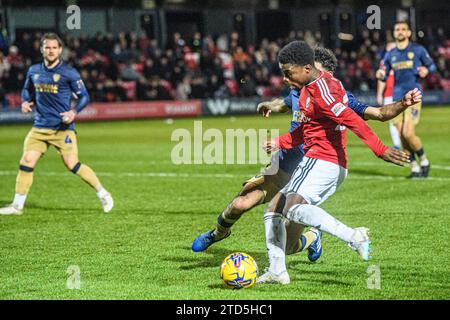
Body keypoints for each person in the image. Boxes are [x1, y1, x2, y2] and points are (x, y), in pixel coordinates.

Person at [191, 46, 417, 260]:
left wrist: (402, 104)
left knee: (287, 244)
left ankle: (311, 239)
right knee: (240, 204)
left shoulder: (336, 96)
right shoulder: (299, 90)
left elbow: (378, 113)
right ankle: (218, 233)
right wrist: (270, 105)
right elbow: (284, 104)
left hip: (313, 169)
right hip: (284, 165)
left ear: (323, 72)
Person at [257, 40, 411, 285]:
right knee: (273, 210)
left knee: (291, 209)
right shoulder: (311, 88)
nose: (285, 79)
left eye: (288, 73)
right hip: (324, 161)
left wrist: (380, 149)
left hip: (322, 159)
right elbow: (308, 130)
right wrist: (281, 141)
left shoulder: (321, 90)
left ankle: (353, 236)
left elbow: (354, 120)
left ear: (306, 68)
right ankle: (277, 272)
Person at [0, 33, 113, 216]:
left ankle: (103, 193)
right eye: (47, 47)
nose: (51, 51)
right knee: (26, 161)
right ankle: (17, 206)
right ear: (42, 49)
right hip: (39, 127)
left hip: (62, 129)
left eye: (54, 48)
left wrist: (74, 112)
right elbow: (26, 90)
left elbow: (85, 96)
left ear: (60, 50)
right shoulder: (34, 71)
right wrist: (25, 101)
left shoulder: (69, 73)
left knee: (72, 165)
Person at [376, 21, 436, 178]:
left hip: (414, 96)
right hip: (397, 99)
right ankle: (414, 166)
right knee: (401, 135)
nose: (400, 32)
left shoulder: (418, 50)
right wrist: (380, 74)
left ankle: (424, 160)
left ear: (409, 33)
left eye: (403, 29)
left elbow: (432, 66)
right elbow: (383, 71)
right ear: (395, 33)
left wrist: (425, 70)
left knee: (408, 133)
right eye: (397, 29)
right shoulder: (391, 54)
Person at [377, 42, 402, 150]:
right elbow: (381, 80)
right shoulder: (384, 63)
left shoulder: (402, 60)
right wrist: (379, 94)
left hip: (402, 93)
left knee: (404, 121)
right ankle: (397, 144)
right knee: (392, 121)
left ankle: (404, 142)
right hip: (389, 95)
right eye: (389, 49)